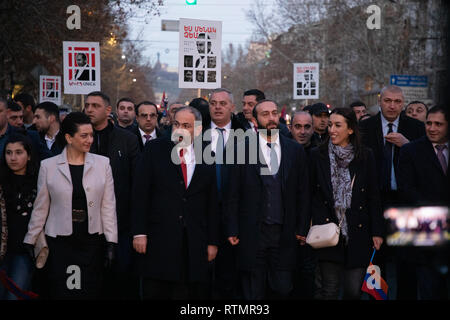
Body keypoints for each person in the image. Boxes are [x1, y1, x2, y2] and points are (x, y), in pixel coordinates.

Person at [23, 112, 117, 299]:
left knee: (88, 290)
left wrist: (111, 241)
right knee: (62, 290)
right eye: (84, 135)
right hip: (60, 241)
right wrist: (31, 238)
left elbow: (108, 205)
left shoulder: (103, 164)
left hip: (91, 239)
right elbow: (41, 207)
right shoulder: (48, 166)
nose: (90, 140)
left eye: (91, 135)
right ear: (68, 137)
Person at [131, 106, 219, 300]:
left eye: (186, 126)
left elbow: (211, 202)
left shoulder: (207, 154)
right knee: (156, 291)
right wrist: (139, 232)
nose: (179, 129)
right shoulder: (155, 149)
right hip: (158, 238)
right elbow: (140, 193)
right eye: (176, 124)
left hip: (194, 241)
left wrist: (212, 241)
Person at [226, 99, 310, 300]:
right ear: (255, 120)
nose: (272, 118)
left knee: (282, 288)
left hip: (285, 233)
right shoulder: (240, 149)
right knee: (253, 291)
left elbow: (303, 192)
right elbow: (233, 194)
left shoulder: (294, 150)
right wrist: (232, 228)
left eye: (274, 113)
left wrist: (301, 227)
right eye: (265, 114)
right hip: (252, 232)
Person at [309, 107, 384, 300]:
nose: (331, 129)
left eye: (337, 125)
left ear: (350, 129)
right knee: (330, 290)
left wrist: (377, 231)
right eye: (330, 125)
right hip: (328, 230)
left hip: (358, 231)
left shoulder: (365, 155)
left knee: (353, 290)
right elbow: (311, 193)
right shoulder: (318, 155)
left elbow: (373, 196)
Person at [84, 91, 139, 299]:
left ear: (108, 111)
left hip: (120, 221)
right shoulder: (75, 139)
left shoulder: (127, 140)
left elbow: (136, 183)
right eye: (87, 105)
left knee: (119, 276)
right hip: (85, 221)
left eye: (95, 106)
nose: (89, 109)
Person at [397, 105, 449, 300]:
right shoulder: (411, 151)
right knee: (429, 287)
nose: (432, 128)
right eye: (429, 123)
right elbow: (407, 189)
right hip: (425, 231)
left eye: (438, 124)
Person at [203, 88, 244, 299]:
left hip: (233, 217)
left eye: (222, 103)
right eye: (213, 103)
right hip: (202, 216)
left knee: (228, 277)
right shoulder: (196, 135)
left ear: (232, 107)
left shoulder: (246, 138)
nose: (217, 107)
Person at [0, 134, 38, 300]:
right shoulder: (2, 180)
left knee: (14, 296)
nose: (13, 158)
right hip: (2, 249)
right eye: (8, 153)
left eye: (18, 152)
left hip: (25, 250)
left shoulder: (39, 181)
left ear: (28, 155)